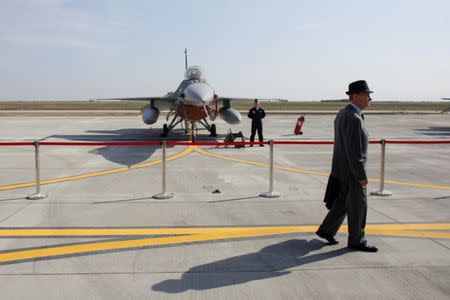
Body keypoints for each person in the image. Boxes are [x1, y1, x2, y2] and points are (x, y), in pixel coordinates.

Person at [316, 80, 378, 252]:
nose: (370, 98)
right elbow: (354, 152)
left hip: (341, 169)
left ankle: (326, 230)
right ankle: (357, 239)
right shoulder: (354, 118)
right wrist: (361, 175)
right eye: (367, 95)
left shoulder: (343, 113)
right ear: (355, 96)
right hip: (352, 172)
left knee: (342, 201)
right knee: (358, 206)